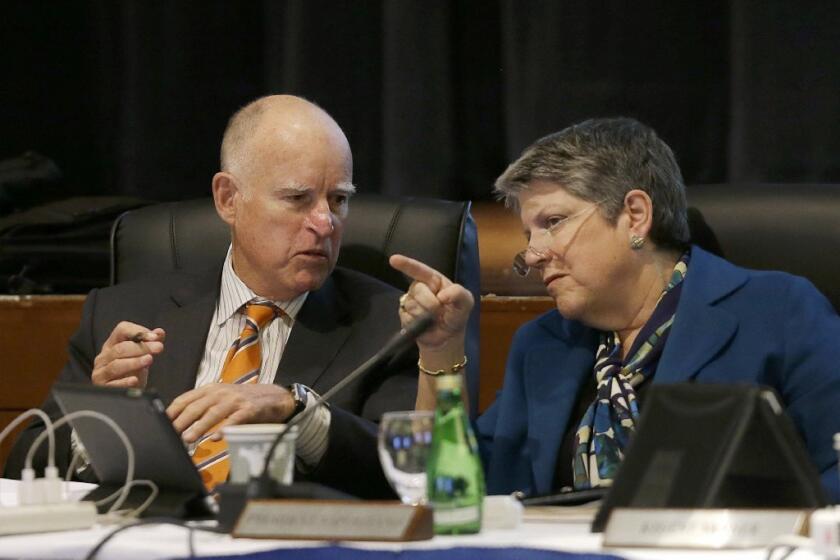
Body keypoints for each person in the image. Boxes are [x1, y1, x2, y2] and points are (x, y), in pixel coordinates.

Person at [392, 117, 840, 502]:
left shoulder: (778, 313)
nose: (532, 254)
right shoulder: (543, 345)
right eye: (529, 233)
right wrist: (440, 349)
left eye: (552, 223)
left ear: (636, 215)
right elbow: (455, 489)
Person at [5, 95, 417, 499]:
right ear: (228, 199)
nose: (325, 223)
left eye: (339, 200)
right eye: (298, 199)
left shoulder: (388, 325)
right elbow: (24, 467)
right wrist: (100, 419)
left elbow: (409, 478)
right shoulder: (122, 314)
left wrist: (296, 411)